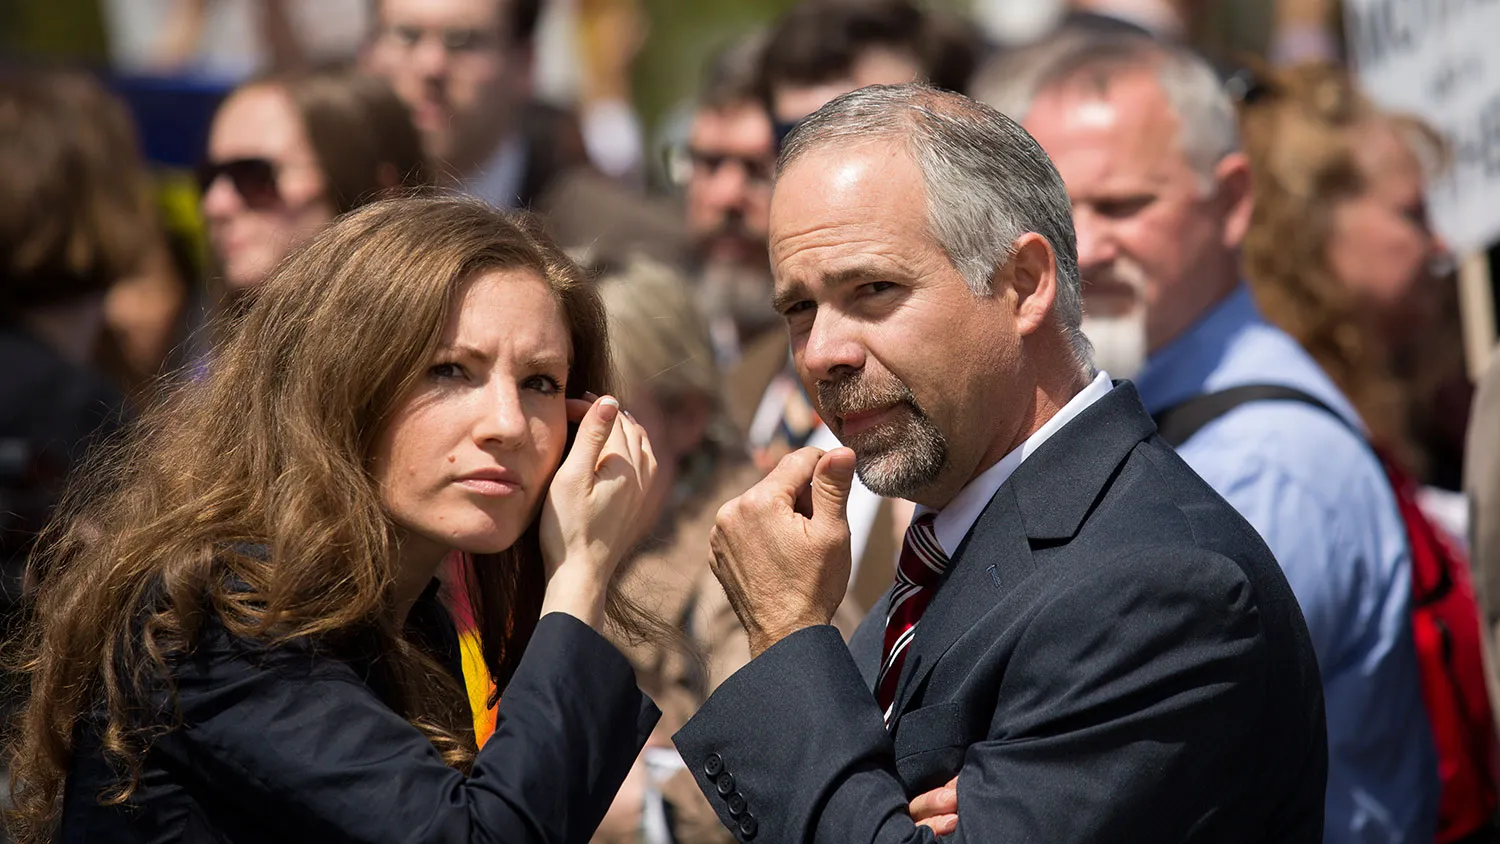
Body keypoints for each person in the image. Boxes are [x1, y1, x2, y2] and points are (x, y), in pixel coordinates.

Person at [672, 82, 1326, 842]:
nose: (822, 353)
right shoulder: (947, 552)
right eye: (799, 310)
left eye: (873, 290)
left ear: (1024, 285)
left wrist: (787, 636)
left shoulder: (1160, 587)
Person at [3, 196, 662, 843]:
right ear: (341, 386)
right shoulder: (224, 613)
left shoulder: (408, 619)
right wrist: (581, 572)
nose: (508, 425)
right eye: (451, 370)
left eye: (540, 382)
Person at [980, 33, 1439, 842]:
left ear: (1231, 203)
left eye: (1123, 205)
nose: (1082, 247)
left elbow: (1115, 790)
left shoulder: (1261, 468)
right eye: (1051, 212)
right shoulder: (1141, 401)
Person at [200, 63, 430, 298]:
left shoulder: (453, 329)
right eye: (208, 177)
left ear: (380, 191)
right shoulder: (207, 328)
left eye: (253, 174)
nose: (214, 204)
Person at [360, 0, 589, 209]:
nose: (431, 66)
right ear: (366, 52)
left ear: (524, 65)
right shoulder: (330, 213)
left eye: (464, 41)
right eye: (407, 35)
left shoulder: (599, 239)